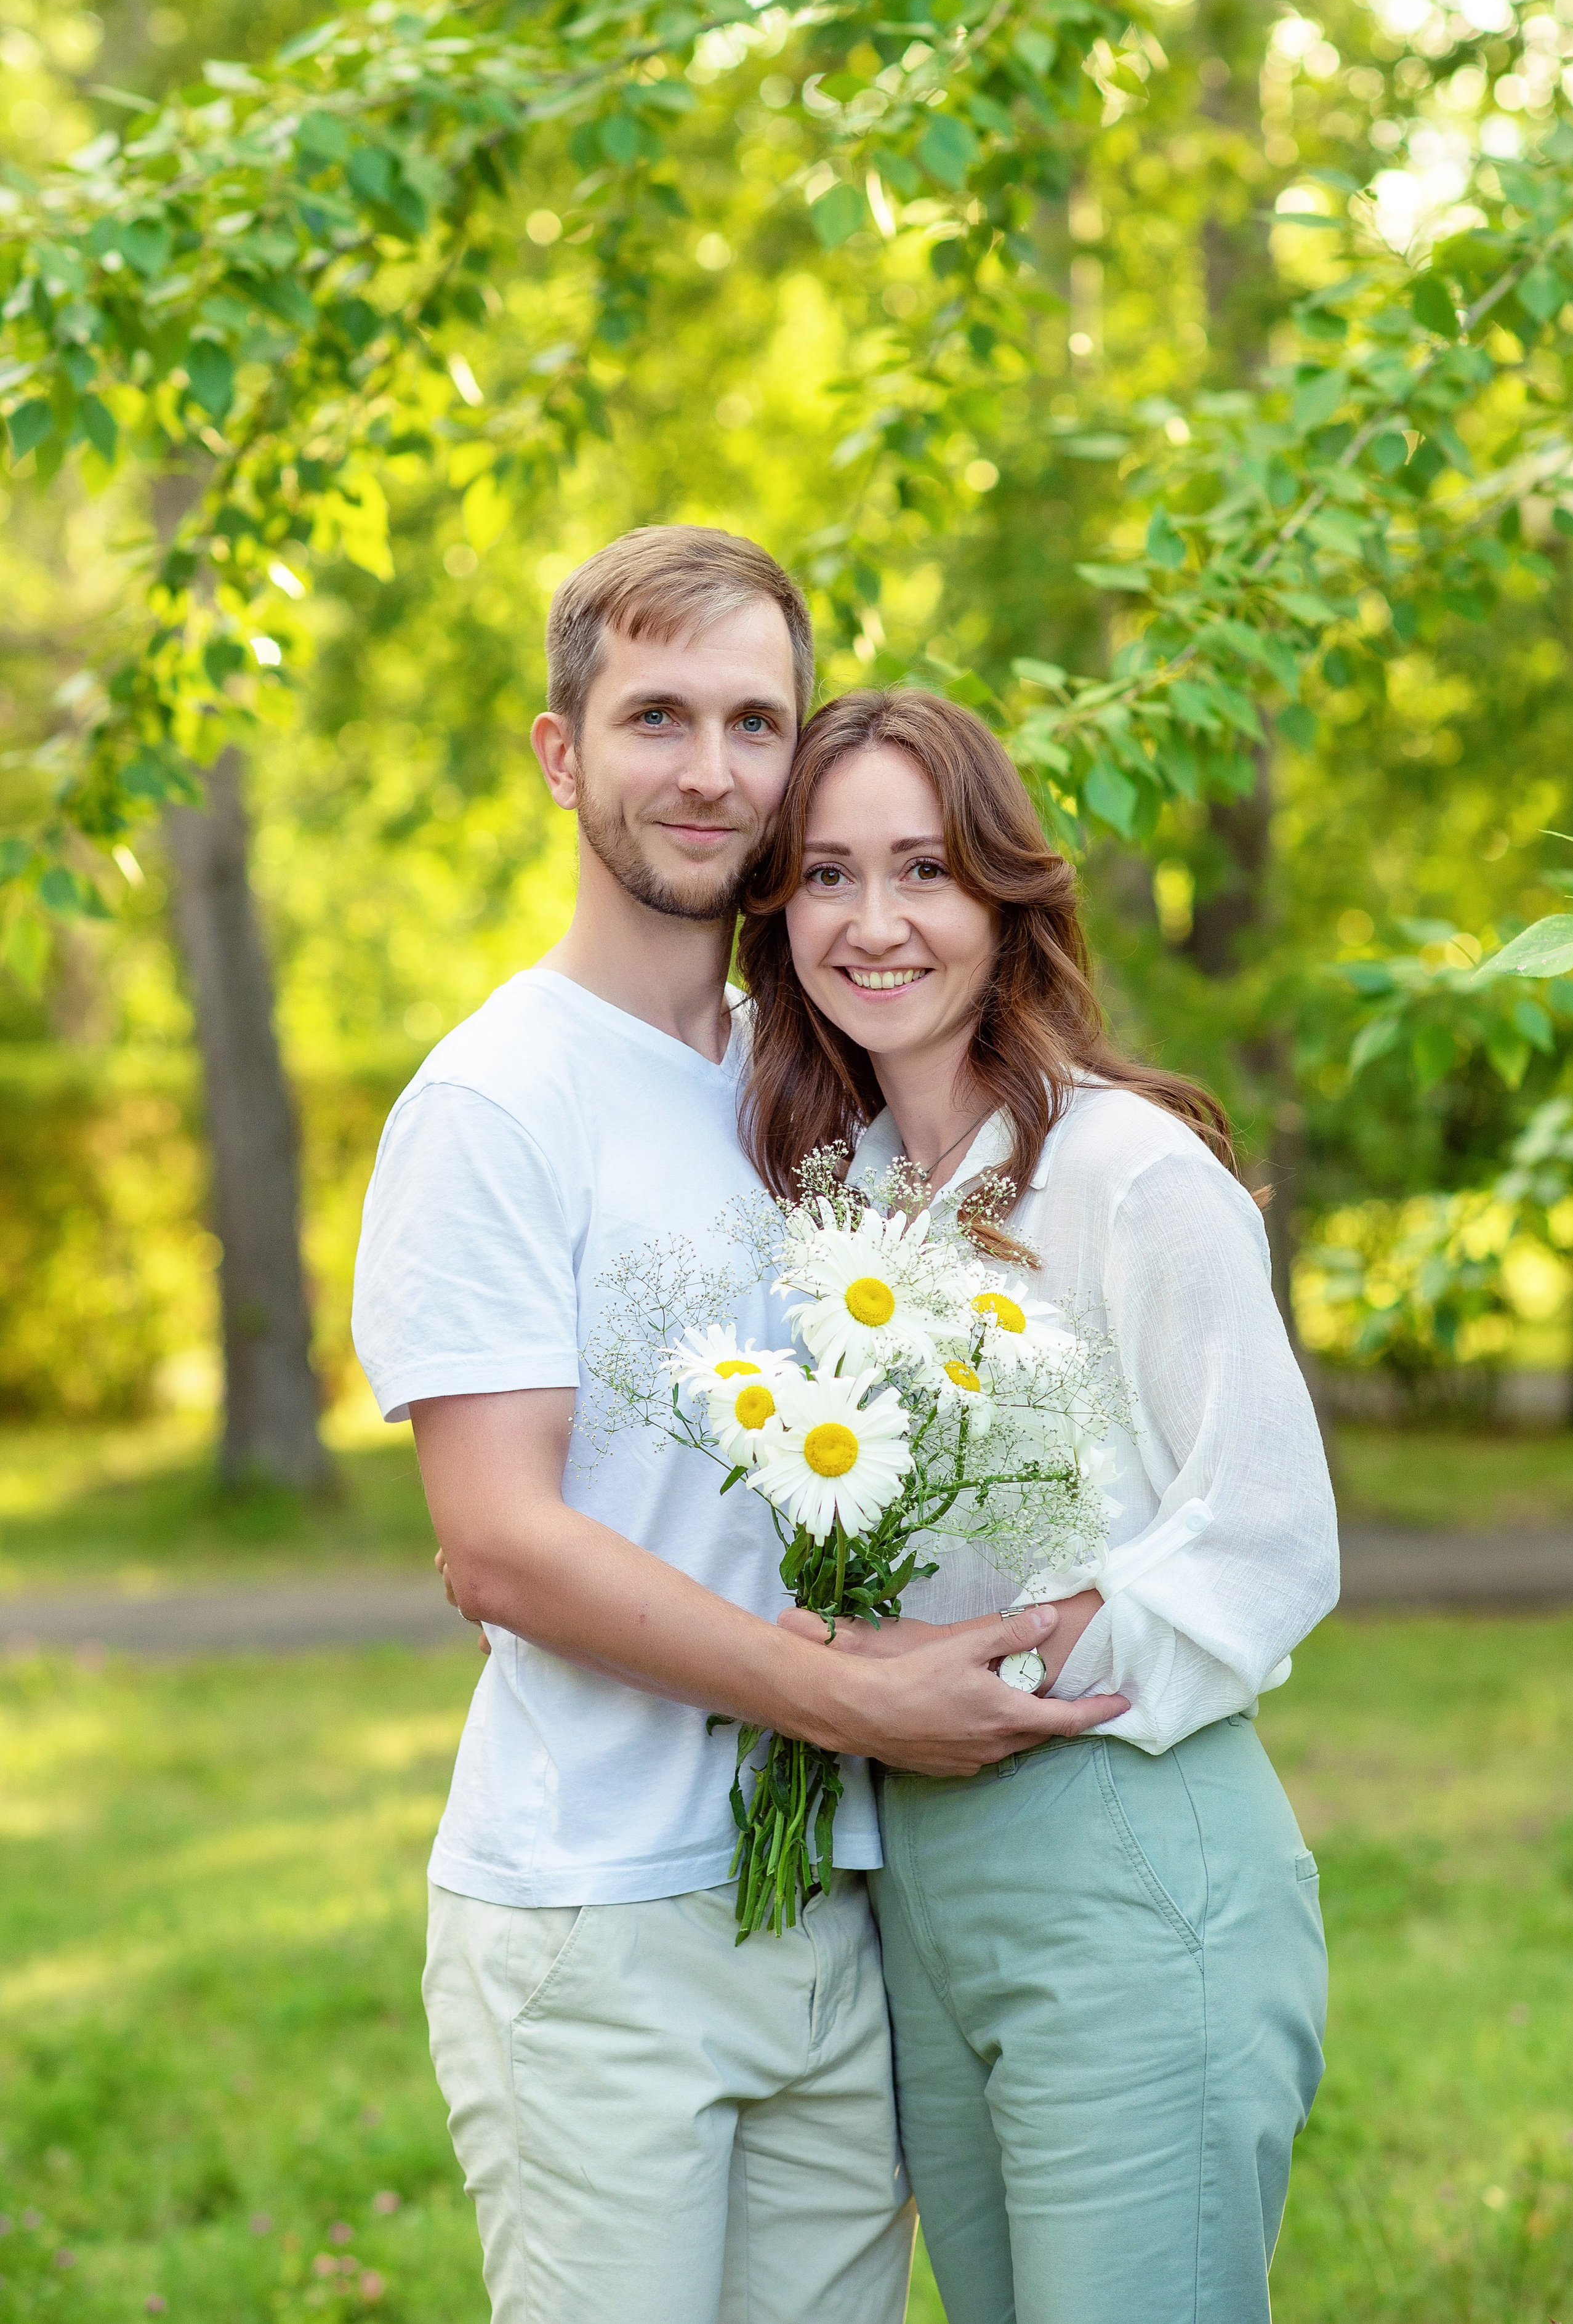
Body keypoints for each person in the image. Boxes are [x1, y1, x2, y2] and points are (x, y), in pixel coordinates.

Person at [350, 531, 1125, 2324]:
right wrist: (857, 1697)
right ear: (564, 753)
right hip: (598, 1912)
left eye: (756, 721)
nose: (711, 768)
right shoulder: (492, 1100)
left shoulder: (805, 1080)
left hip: (828, 1905)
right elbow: (499, 1542)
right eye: (658, 717)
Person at [738, 686, 1338, 2324]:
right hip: (920, 1880)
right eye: (827, 876)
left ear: (1005, 899)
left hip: (1128, 1850)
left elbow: (1271, 1528)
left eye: (924, 869)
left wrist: (1005, 1662)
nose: (875, 923)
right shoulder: (847, 1203)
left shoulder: (1132, 1172)